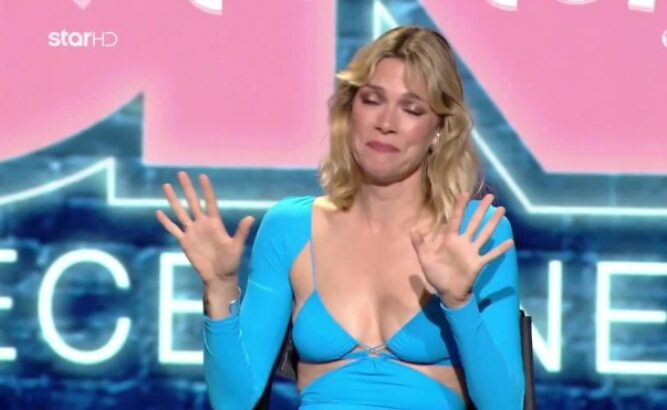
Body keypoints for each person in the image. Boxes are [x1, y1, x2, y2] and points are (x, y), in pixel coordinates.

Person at [156, 26, 525, 409]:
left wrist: (458, 302)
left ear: (440, 130)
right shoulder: (290, 227)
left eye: (412, 109)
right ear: (349, 112)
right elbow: (234, 402)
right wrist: (220, 288)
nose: (386, 122)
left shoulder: (477, 234)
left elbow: (505, 405)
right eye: (372, 100)